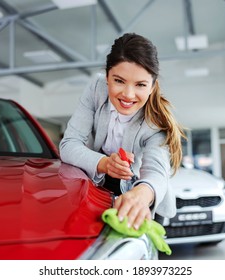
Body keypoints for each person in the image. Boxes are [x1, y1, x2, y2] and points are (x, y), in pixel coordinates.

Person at [59, 33, 186, 231]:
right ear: (107, 76)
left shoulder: (155, 123)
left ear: (152, 86)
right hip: (99, 184)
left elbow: (156, 172)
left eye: (140, 85)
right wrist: (105, 163)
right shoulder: (96, 89)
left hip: (141, 198)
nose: (128, 94)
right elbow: (69, 145)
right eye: (119, 81)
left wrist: (141, 194)